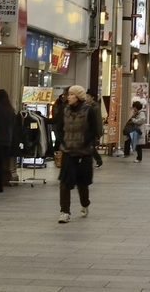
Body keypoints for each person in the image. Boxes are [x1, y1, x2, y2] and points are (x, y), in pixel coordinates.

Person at [54, 85, 99, 223]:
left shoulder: (89, 110)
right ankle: (65, 212)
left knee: (82, 183)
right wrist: (63, 141)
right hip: (68, 151)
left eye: (72, 95)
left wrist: (84, 142)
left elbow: (94, 130)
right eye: (68, 94)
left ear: (79, 97)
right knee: (64, 183)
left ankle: (85, 204)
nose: (69, 97)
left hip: (83, 153)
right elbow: (58, 128)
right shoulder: (64, 110)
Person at [86, 88, 103, 168]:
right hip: (88, 130)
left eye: (88, 96)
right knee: (90, 146)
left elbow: (98, 120)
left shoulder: (95, 107)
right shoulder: (88, 106)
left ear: (92, 98)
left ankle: (98, 160)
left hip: (93, 130)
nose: (86, 98)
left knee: (91, 147)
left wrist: (98, 131)